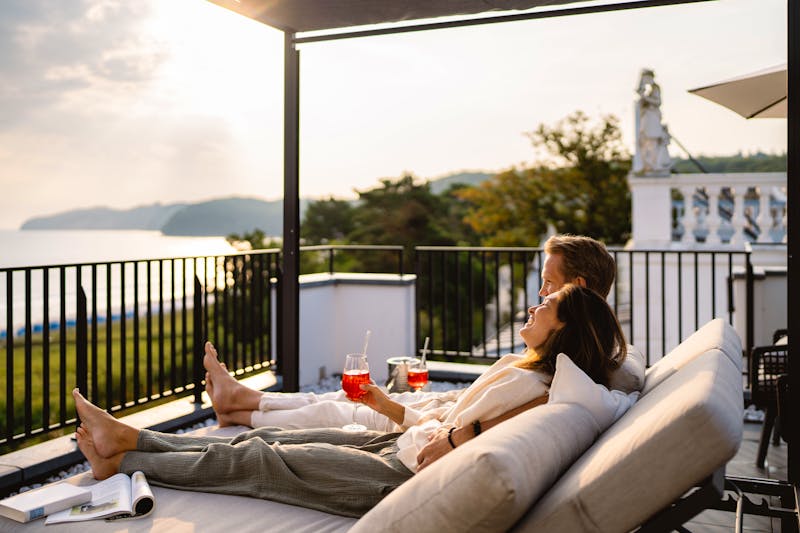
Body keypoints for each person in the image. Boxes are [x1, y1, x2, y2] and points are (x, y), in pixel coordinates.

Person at [73, 284, 627, 518]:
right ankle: (129, 442)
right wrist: (393, 410)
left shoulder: (547, 389)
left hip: (401, 477)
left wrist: (460, 437)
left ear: (566, 327)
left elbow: (566, 403)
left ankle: (124, 454)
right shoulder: (523, 366)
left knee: (259, 459)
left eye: (547, 303)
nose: (534, 306)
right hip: (398, 444)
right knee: (266, 437)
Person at [206, 234, 617, 431]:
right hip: (440, 408)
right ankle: (241, 403)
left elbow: (465, 428)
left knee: (338, 410)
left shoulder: (565, 365)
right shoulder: (579, 351)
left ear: (575, 288)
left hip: (424, 425)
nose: (539, 295)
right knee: (335, 396)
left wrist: (406, 409)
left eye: (548, 285)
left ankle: (240, 410)